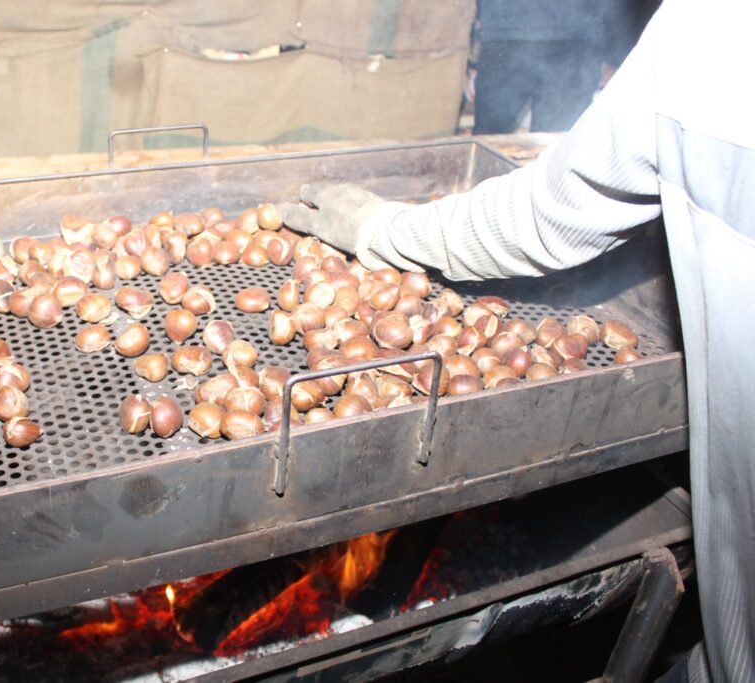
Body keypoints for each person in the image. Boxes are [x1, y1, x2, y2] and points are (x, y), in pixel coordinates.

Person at [278, 0, 754, 681]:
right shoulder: (710, 34)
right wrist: (383, 231)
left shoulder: (709, 36)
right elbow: (549, 210)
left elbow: (549, 214)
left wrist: (383, 232)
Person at [471, 0, 653, 134]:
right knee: (488, 145)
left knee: (555, 149)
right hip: (509, 36)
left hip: (572, 41)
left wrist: (615, 56)